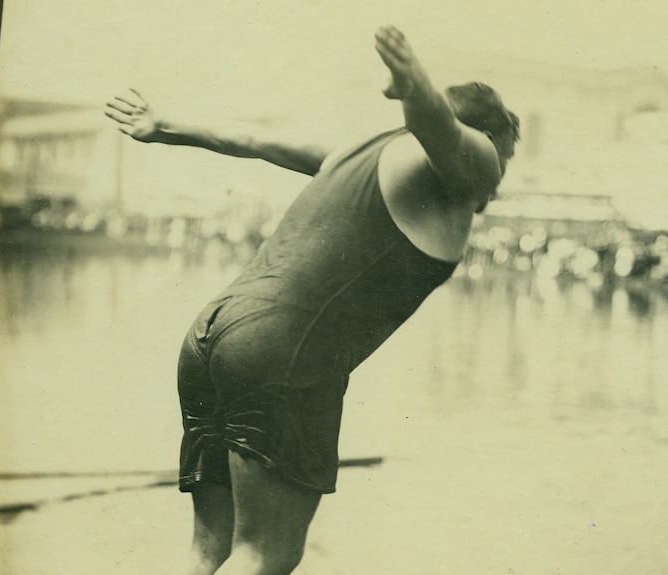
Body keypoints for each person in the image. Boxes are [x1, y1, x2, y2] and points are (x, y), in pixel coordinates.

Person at [105, 25, 519, 575]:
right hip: (283, 351)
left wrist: (166, 126)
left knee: (212, 551)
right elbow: (441, 129)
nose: (499, 179)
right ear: (486, 142)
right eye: (504, 157)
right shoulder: (470, 161)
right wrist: (416, 85)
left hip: (211, 334)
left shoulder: (357, 153)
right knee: (265, 555)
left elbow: (255, 140)